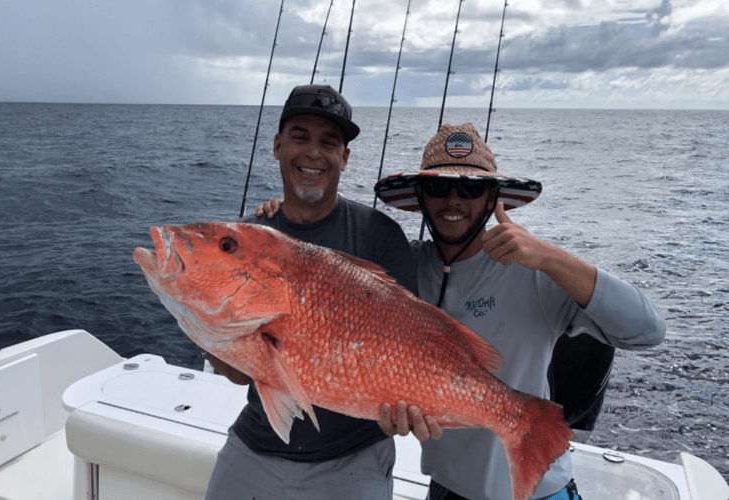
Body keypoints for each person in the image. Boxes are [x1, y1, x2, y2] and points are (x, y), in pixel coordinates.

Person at [256, 123, 666, 499]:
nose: (453, 200)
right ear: (421, 198)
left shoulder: (535, 271)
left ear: (492, 198)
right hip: (446, 490)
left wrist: (552, 258)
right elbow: (324, 277)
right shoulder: (403, 269)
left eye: (471, 189)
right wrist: (290, 215)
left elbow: (647, 330)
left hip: (540, 492)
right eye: (438, 189)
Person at [204, 84, 419, 500]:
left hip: (354, 455)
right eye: (300, 137)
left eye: (329, 142)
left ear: (345, 157)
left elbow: (410, 344)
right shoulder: (246, 239)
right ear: (278, 145)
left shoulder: (380, 236)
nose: (314, 153)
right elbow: (234, 374)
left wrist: (408, 405)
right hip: (257, 441)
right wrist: (212, 326)